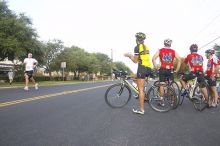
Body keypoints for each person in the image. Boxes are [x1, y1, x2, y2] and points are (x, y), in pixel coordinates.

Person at [124, 32, 152, 115]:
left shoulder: (137, 47)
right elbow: (142, 57)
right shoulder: (146, 47)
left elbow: (135, 61)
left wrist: (129, 56)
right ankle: (144, 93)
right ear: (143, 39)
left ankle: (141, 110)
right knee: (134, 77)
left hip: (142, 68)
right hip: (148, 68)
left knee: (140, 90)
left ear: (136, 39)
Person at [152, 39, 181, 104]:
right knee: (171, 84)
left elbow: (153, 58)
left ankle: (162, 101)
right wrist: (177, 70)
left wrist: (156, 67)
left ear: (164, 44)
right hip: (170, 70)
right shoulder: (173, 51)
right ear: (170, 44)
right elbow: (179, 60)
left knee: (162, 84)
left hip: (162, 69)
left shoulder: (160, 50)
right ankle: (173, 101)